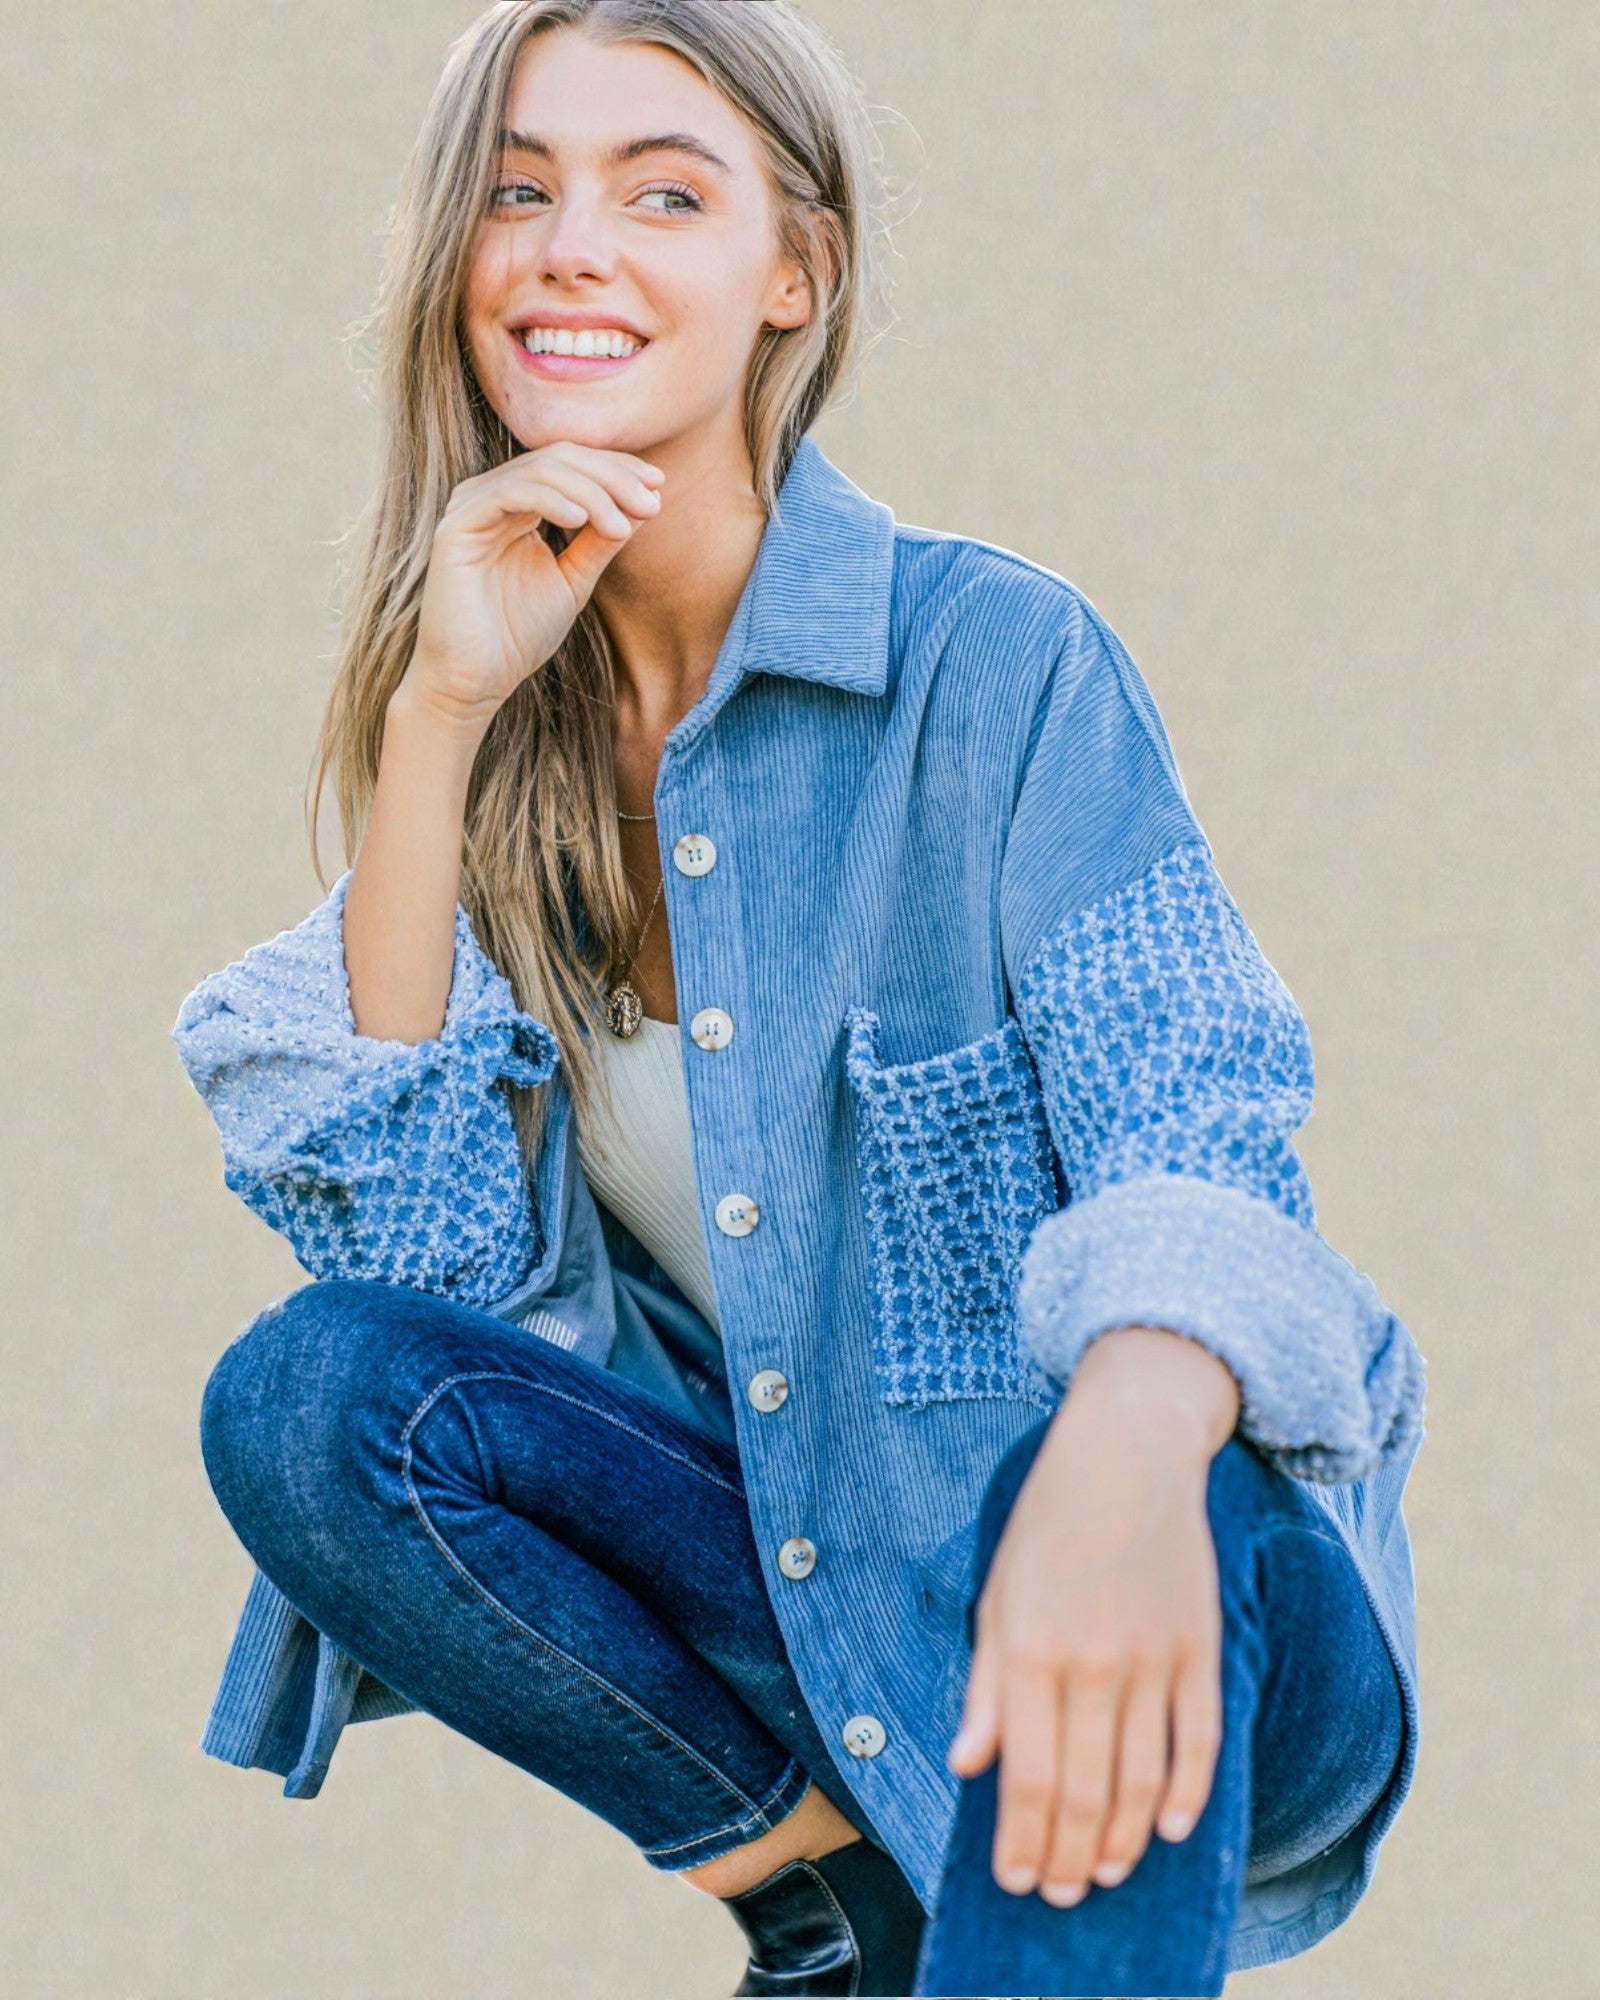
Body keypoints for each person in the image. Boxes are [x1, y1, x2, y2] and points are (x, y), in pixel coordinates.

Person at [171, 4, 1427, 1994]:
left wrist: (1112, 1460)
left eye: (658, 190)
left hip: (1188, 1582)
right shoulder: (503, 767)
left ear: (792, 273)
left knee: (1094, 1465)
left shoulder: (990, 662)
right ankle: (820, 1905)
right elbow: (442, 1315)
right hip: (809, 1625)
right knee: (310, 1386)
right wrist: (435, 715)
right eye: (519, 189)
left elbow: (1195, 1114)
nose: (570, 242)